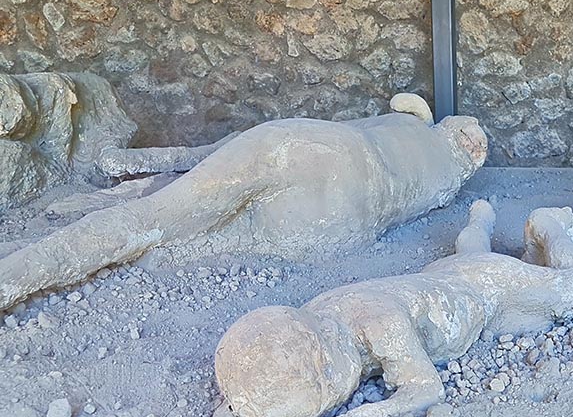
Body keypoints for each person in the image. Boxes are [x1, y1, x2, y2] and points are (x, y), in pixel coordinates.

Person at [0, 94, 487, 313]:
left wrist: (409, 113)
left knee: (162, 216)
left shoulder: (408, 125)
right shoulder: (445, 182)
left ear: (443, 125)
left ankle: (22, 273)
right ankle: (97, 242)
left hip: (324, 151)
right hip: (353, 215)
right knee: (173, 240)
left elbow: (391, 115)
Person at [215, 201, 573, 417]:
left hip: (490, 287)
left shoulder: (379, 325)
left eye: (328, 387)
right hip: (446, 278)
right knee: (468, 257)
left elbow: (425, 390)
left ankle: (547, 224)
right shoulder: (321, 313)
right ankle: (482, 220)